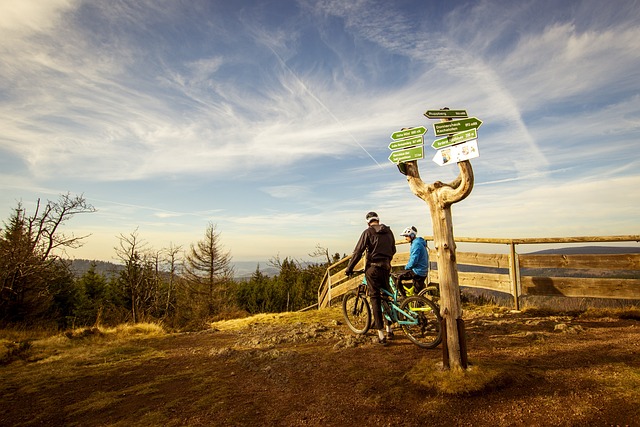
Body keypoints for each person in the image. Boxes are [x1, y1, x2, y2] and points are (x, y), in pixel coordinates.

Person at [345, 211, 396, 345]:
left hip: (373, 269)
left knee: (375, 299)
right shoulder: (389, 232)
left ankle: (381, 335)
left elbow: (358, 251)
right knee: (387, 297)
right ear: (378, 220)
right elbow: (393, 249)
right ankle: (389, 328)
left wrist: (349, 268)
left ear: (368, 222)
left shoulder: (368, 232)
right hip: (386, 267)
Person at [393, 226, 428, 297]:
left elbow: (414, 260)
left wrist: (406, 267)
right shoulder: (419, 242)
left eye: (406, 236)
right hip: (423, 271)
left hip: (417, 271)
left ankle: (404, 297)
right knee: (417, 295)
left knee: (395, 276)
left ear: (412, 236)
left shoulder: (416, 244)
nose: (405, 238)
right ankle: (416, 302)